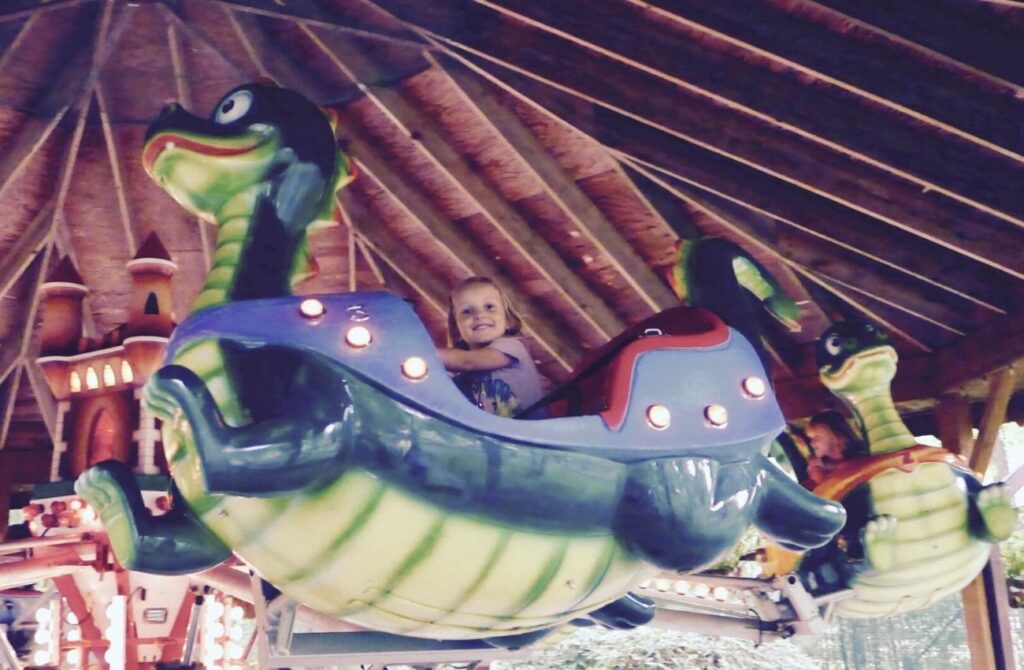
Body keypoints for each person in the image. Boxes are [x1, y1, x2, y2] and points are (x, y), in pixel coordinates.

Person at [437, 277, 545, 418]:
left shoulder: (511, 347)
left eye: (489, 307)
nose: (479, 315)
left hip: (530, 430)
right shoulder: (466, 375)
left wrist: (423, 354)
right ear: (457, 329)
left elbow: (468, 361)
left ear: (508, 320)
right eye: (467, 311)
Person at [804, 410, 862, 488]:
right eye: (811, 438)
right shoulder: (817, 467)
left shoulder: (859, 462)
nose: (812, 443)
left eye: (816, 437)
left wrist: (820, 479)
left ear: (836, 437)